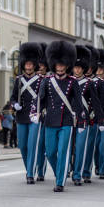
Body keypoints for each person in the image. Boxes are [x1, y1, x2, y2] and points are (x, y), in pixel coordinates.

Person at [37, 41, 85, 192]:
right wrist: (36, 113)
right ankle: (61, 172)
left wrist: (82, 122)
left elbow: (78, 104)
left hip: (66, 121)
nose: (60, 66)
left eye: (62, 64)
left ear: (67, 64)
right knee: (50, 152)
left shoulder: (73, 82)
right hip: (50, 120)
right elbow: (41, 100)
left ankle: (60, 182)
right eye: (57, 64)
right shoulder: (47, 81)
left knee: (63, 152)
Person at [10, 42, 43, 184]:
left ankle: (30, 173)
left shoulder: (41, 80)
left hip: (35, 117)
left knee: (32, 145)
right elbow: (12, 97)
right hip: (21, 116)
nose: (28, 66)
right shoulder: (18, 80)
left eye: (31, 64)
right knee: (22, 146)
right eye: (27, 64)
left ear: (34, 65)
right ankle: (29, 168)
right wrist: (15, 104)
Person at [71, 45, 104, 186]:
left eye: (80, 67)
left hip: (86, 119)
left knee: (84, 147)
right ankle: (69, 169)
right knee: (69, 148)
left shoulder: (90, 83)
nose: (77, 69)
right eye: (75, 67)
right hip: (68, 118)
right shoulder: (68, 81)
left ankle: (81, 173)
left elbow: (96, 102)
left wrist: (101, 119)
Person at [35, 42, 49, 181]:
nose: (40, 67)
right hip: (33, 115)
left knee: (43, 145)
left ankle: (41, 170)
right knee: (34, 145)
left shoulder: (48, 79)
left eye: (42, 65)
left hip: (45, 115)